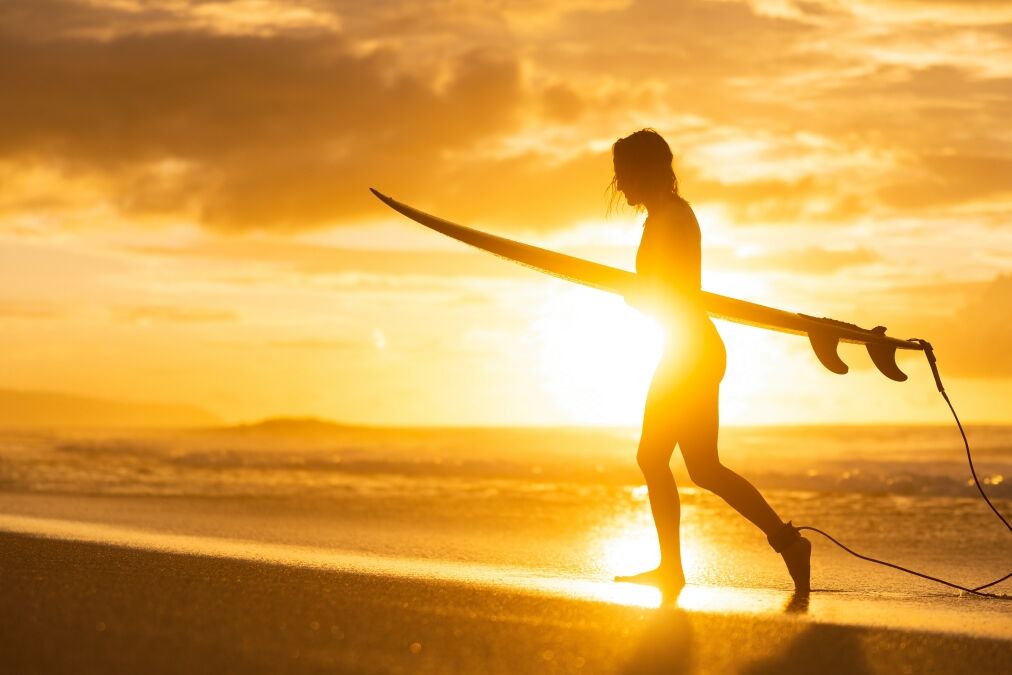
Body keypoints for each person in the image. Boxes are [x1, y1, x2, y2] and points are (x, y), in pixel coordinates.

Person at [611, 129, 811, 595]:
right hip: (687, 347)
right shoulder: (664, 216)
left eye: (623, 175)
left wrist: (640, 296)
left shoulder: (673, 220)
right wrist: (643, 297)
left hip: (691, 351)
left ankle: (681, 567)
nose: (619, 186)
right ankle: (782, 542)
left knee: (661, 459)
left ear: (646, 170)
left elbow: (676, 293)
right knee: (697, 467)